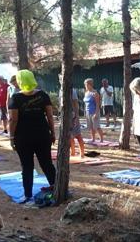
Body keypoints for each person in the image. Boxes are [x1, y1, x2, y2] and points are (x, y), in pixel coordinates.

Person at [8, 69, 57, 206]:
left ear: (20, 81)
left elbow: (13, 120)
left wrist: (11, 137)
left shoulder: (16, 98)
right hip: (42, 134)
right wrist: (53, 133)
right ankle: (56, 188)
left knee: (27, 166)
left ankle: (27, 195)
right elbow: (50, 116)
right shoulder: (43, 95)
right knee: (47, 163)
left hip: (23, 137)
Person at [83, 78, 104, 142]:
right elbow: (86, 103)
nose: (85, 86)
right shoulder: (86, 93)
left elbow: (98, 104)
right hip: (88, 112)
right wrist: (85, 112)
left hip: (94, 112)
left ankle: (101, 139)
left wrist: (96, 113)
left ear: (90, 85)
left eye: (86, 84)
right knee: (91, 127)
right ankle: (93, 139)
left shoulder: (95, 93)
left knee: (97, 127)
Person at [69, 94, 85, 158]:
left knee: (78, 135)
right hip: (66, 116)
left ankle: (82, 154)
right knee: (70, 136)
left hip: (73, 115)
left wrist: (76, 116)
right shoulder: (61, 90)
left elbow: (76, 103)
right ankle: (72, 152)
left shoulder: (72, 91)